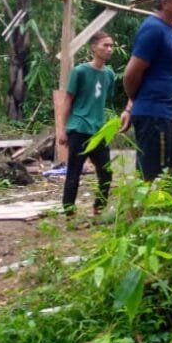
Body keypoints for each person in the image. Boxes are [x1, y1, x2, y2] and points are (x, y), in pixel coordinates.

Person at [122, 0, 172, 181]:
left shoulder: (167, 30)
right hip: (154, 116)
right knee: (152, 177)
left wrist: (131, 105)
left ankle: (165, 203)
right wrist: (136, 102)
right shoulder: (153, 29)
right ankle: (142, 203)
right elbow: (131, 74)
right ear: (165, 3)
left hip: (165, 116)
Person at [59, 31, 117, 216]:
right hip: (79, 127)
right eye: (105, 45)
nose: (109, 49)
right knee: (74, 172)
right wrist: (62, 129)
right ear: (94, 48)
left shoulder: (109, 74)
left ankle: (98, 209)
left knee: (106, 173)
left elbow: (104, 100)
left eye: (111, 46)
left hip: (98, 130)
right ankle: (69, 213)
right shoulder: (80, 71)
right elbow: (67, 100)